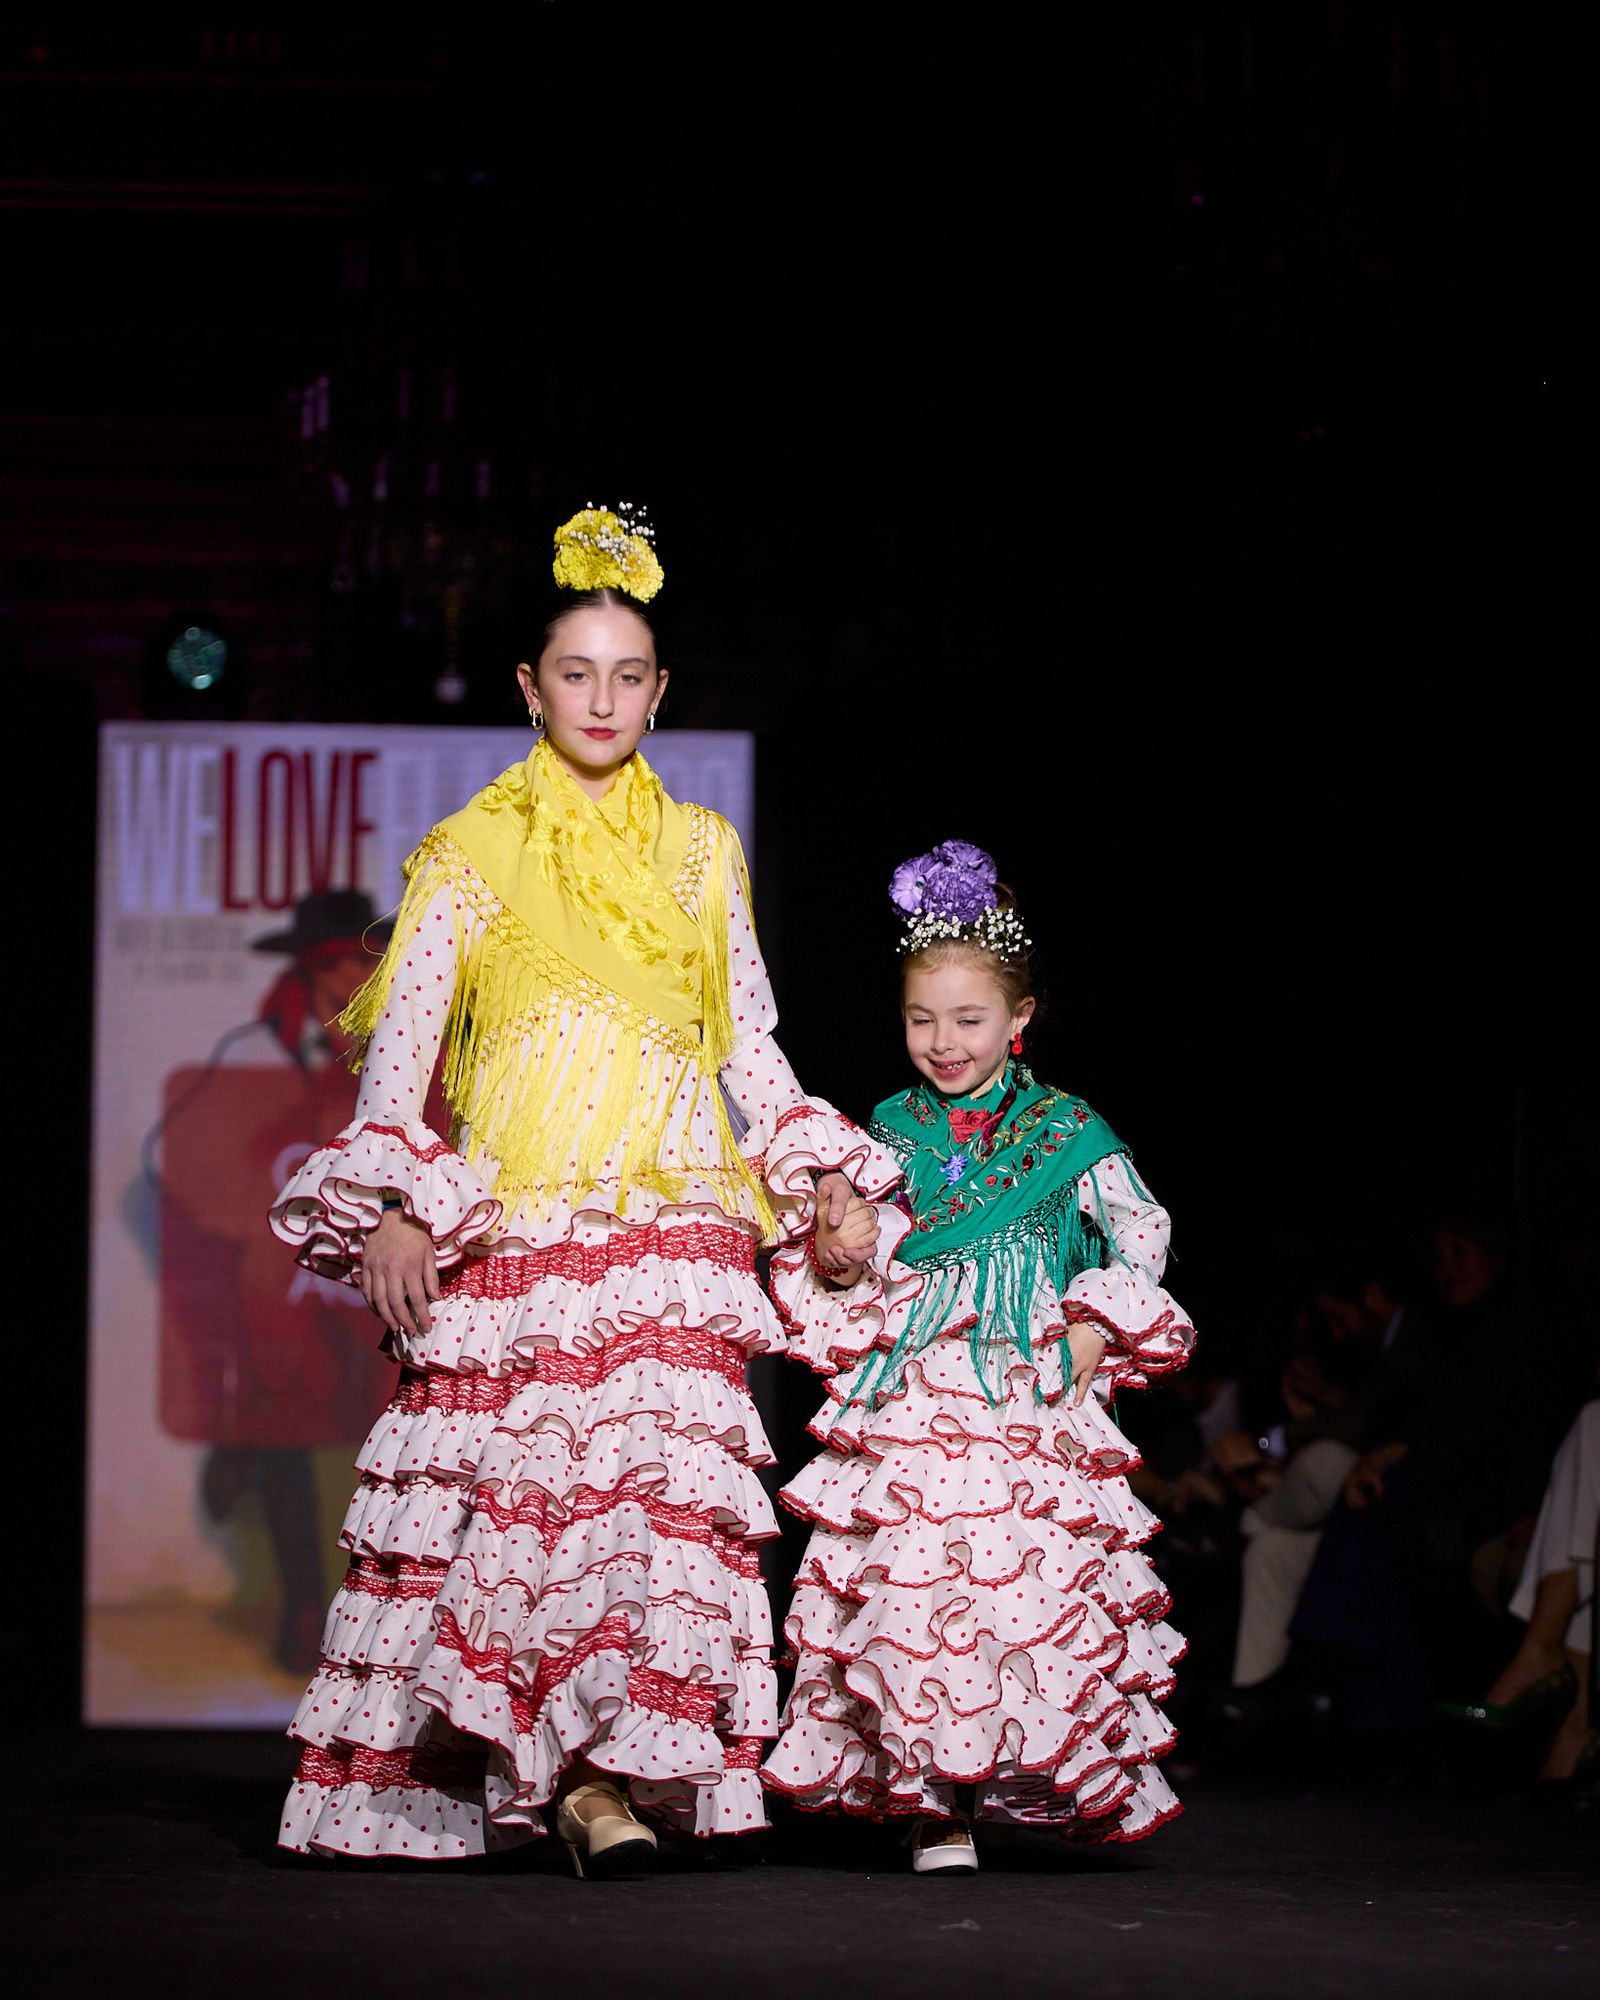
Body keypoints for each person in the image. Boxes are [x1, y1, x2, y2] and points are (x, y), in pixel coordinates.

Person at [268, 504, 897, 1869]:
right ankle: (560, 1786)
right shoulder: (466, 860)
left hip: (671, 1232)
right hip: (525, 1226)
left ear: (661, 693)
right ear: (528, 688)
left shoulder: (704, 854)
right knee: (527, 1525)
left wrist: (822, 1184)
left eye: (628, 676)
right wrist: (387, 1203)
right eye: (576, 673)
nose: (602, 699)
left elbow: (753, 1048)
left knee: (655, 1517)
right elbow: (401, 1070)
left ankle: (603, 1781)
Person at [760, 842, 1195, 1871]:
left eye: (966, 1019)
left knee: (1016, 1597)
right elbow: (849, 1268)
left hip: (1025, 1389)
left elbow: (1142, 1230)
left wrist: (1095, 1316)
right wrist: (840, 1247)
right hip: (915, 1392)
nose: (942, 1041)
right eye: (921, 1019)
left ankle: (1006, 1779)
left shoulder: (1066, 1127)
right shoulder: (888, 1129)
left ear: (1020, 1016)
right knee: (914, 1594)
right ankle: (932, 1799)